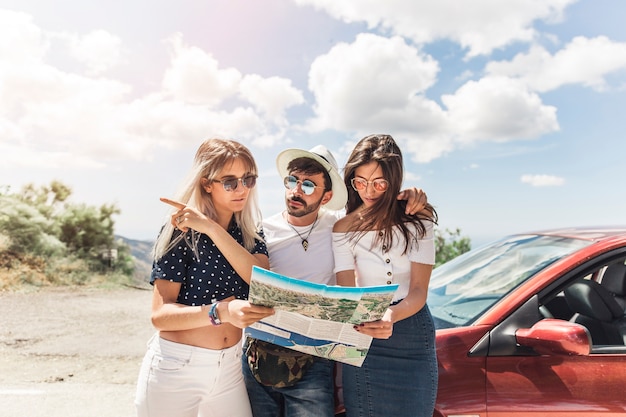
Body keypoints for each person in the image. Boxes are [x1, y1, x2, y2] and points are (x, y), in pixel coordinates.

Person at [242, 144, 428, 417]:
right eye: (292, 181)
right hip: (261, 355)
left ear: (327, 196)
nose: (296, 191)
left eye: (307, 186)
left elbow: (375, 205)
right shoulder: (260, 230)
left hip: (315, 360)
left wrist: (411, 194)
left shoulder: (339, 225)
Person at [135, 138, 275, 417]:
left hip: (230, 370)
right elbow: (160, 315)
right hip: (176, 368)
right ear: (206, 183)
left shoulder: (251, 234)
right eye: (230, 182)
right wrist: (220, 312)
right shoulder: (181, 232)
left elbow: (261, 281)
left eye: (248, 179)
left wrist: (211, 227)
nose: (242, 189)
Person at [332, 134, 438, 417]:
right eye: (360, 181)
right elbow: (346, 293)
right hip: (364, 333)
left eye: (379, 182)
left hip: (413, 335)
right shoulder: (342, 228)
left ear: (394, 181)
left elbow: (418, 291)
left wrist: (392, 315)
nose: (369, 191)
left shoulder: (419, 219)